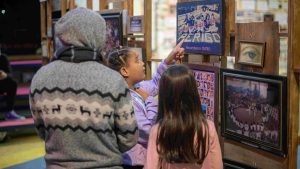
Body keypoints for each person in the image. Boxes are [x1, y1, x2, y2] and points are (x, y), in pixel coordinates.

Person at [29, 8, 138, 169]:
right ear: (97, 35)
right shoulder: (113, 80)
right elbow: (129, 137)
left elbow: (42, 132)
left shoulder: (40, 78)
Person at [107, 41, 184, 169]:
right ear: (125, 71)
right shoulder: (124, 99)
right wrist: (149, 100)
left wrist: (170, 59)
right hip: (135, 163)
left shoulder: (137, 88)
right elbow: (149, 131)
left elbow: (156, 83)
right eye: (137, 61)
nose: (143, 64)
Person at [145, 65, 223, 169]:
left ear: (164, 95)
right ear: (193, 92)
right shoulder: (208, 127)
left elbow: (151, 166)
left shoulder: (158, 131)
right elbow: (216, 165)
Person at [0, 52, 25, 120]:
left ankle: (9, 112)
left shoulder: (3, 58)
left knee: (13, 83)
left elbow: (10, 74)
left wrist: (5, 75)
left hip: (1, 84)